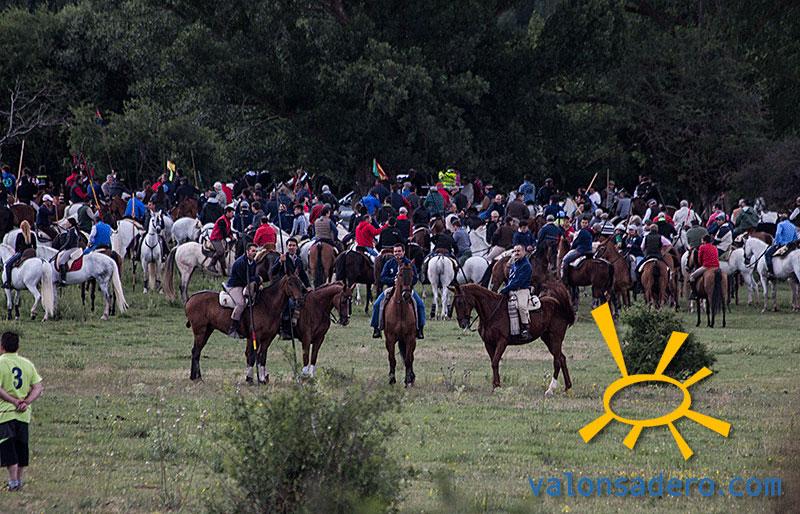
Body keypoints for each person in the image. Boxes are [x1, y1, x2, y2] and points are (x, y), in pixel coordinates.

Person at [0, 331, 43, 492]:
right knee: (21, 447)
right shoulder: (27, 364)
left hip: (5, 413)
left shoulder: (1, 363)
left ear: (1, 346)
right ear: (18, 347)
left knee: (8, 446)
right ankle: (19, 480)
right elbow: (38, 387)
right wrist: (26, 401)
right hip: (24, 414)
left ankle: (12, 481)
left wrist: (13, 401)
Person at [371, 243, 425, 339]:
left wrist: (407, 282)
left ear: (403, 252)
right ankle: (376, 328)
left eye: (399, 251)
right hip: (391, 288)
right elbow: (383, 277)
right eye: (395, 251)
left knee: (420, 304)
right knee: (377, 304)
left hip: (407, 289)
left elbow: (415, 278)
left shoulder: (409, 263)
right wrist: (393, 280)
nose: (397, 253)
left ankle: (420, 328)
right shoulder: (389, 263)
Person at [271, 238, 311, 339]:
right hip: (284, 288)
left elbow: (303, 275)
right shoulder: (282, 258)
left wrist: (308, 286)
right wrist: (280, 262)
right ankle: (284, 329)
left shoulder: (299, 261)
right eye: (290, 245)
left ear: (297, 247)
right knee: (289, 304)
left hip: (296, 287)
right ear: (287, 247)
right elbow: (273, 271)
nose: (291, 247)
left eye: (293, 245)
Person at [225, 243, 262, 337]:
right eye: (253, 251)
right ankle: (233, 327)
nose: (255, 253)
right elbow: (245, 279)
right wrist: (257, 279)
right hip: (235, 285)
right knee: (241, 303)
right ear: (247, 251)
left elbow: (252, 277)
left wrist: (257, 282)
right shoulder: (240, 262)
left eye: (256, 251)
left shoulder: (253, 262)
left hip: (245, 285)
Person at [502, 245, 534, 339]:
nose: (516, 253)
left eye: (519, 251)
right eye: (515, 251)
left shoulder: (526, 265)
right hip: (512, 289)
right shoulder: (515, 263)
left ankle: (525, 328)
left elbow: (518, 282)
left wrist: (506, 289)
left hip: (522, 290)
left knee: (521, 306)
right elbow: (511, 278)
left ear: (524, 252)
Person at [3, 222, 37, 290]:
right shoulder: (32, 235)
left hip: (21, 253)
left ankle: (8, 283)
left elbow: (16, 248)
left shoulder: (19, 235)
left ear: (21, 228)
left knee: (8, 265)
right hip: (31, 253)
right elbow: (35, 247)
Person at [765, 213, 799, 277]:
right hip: (792, 246)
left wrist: (778, 243)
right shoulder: (793, 226)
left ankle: (771, 272)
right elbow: (796, 237)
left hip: (783, 246)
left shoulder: (780, 224)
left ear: (781, 219)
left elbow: (778, 234)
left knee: (767, 255)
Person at [55, 217, 81, 284]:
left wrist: (62, 248)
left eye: (67, 223)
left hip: (72, 249)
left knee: (61, 262)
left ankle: (63, 279)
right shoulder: (74, 230)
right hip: (74, 248)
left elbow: (68, 242)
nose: (66, 224)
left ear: (70, 224)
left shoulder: (72, 231)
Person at [209, 207, 235, 275]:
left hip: (220, 238)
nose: (233, 215)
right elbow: (223, 232)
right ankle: (211, 265)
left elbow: (229, 230)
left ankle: (224, 271)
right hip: (215, 238)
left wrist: (232, 236)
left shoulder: (228, 220)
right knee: (220, 251)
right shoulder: (222, 220)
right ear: (227, 213)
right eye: (232, 213)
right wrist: (230, 237)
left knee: (222, 255)